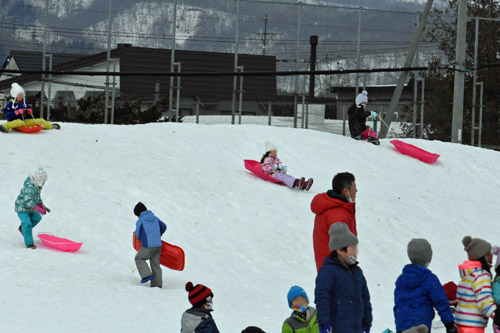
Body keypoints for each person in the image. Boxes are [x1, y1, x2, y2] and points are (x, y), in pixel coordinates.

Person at [314, 223, 372, 333]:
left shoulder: (358, 272)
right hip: (338, 328)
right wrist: (324, 323)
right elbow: (322, 298)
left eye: (356, 247)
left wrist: (367, 321)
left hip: (357, 328)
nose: (356, 252)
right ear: (340, 250)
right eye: (352, 248)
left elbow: (365, 298)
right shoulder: (328, 271)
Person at [394, 239, 457, 333]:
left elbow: (398, 303)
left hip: (402, 326)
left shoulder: (401, 279)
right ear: (429, 258)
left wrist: (399, 320)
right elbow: (441, 302)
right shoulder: (430, 279)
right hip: (422, 326)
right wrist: (449, 324)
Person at [311, 172, 357, 271]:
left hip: (328, 268)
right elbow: (343, 251)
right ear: (345, 191)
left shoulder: (330, 206)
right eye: (354, 187)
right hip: (336, 271)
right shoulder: (338, 215)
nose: (356, 190)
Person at [455, 236, 500, 332]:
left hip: (461, 322)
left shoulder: (469, 274)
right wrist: (496, 315)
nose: (492, 254)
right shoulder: (482, 275)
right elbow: (484, 298)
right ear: (484, 256)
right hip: (472, 325)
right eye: (489, 252)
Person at [15, 167, 50, 249]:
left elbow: (37, 198)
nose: (44, 183)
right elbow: (28, 202)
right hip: (22, 208)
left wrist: (42, 206)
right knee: (27, 223)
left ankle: (23, 229)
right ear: (38, 180)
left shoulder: (37, 187)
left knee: (37, 217)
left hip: (31, 208)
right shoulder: (29, 188)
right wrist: (38, 209)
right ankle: (29, 243)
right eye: (43, 181)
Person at [133, 202, 166, 288]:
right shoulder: (155, 218)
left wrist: (140, 239)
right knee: (155, 265)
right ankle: (157, 284)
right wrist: (158, 235)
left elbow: (138, 233)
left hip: (148, 245)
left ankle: (146, 275)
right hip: (158, 244)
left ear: (138, 213)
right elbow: (164, 226)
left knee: (139, 258)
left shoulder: (140, 220)